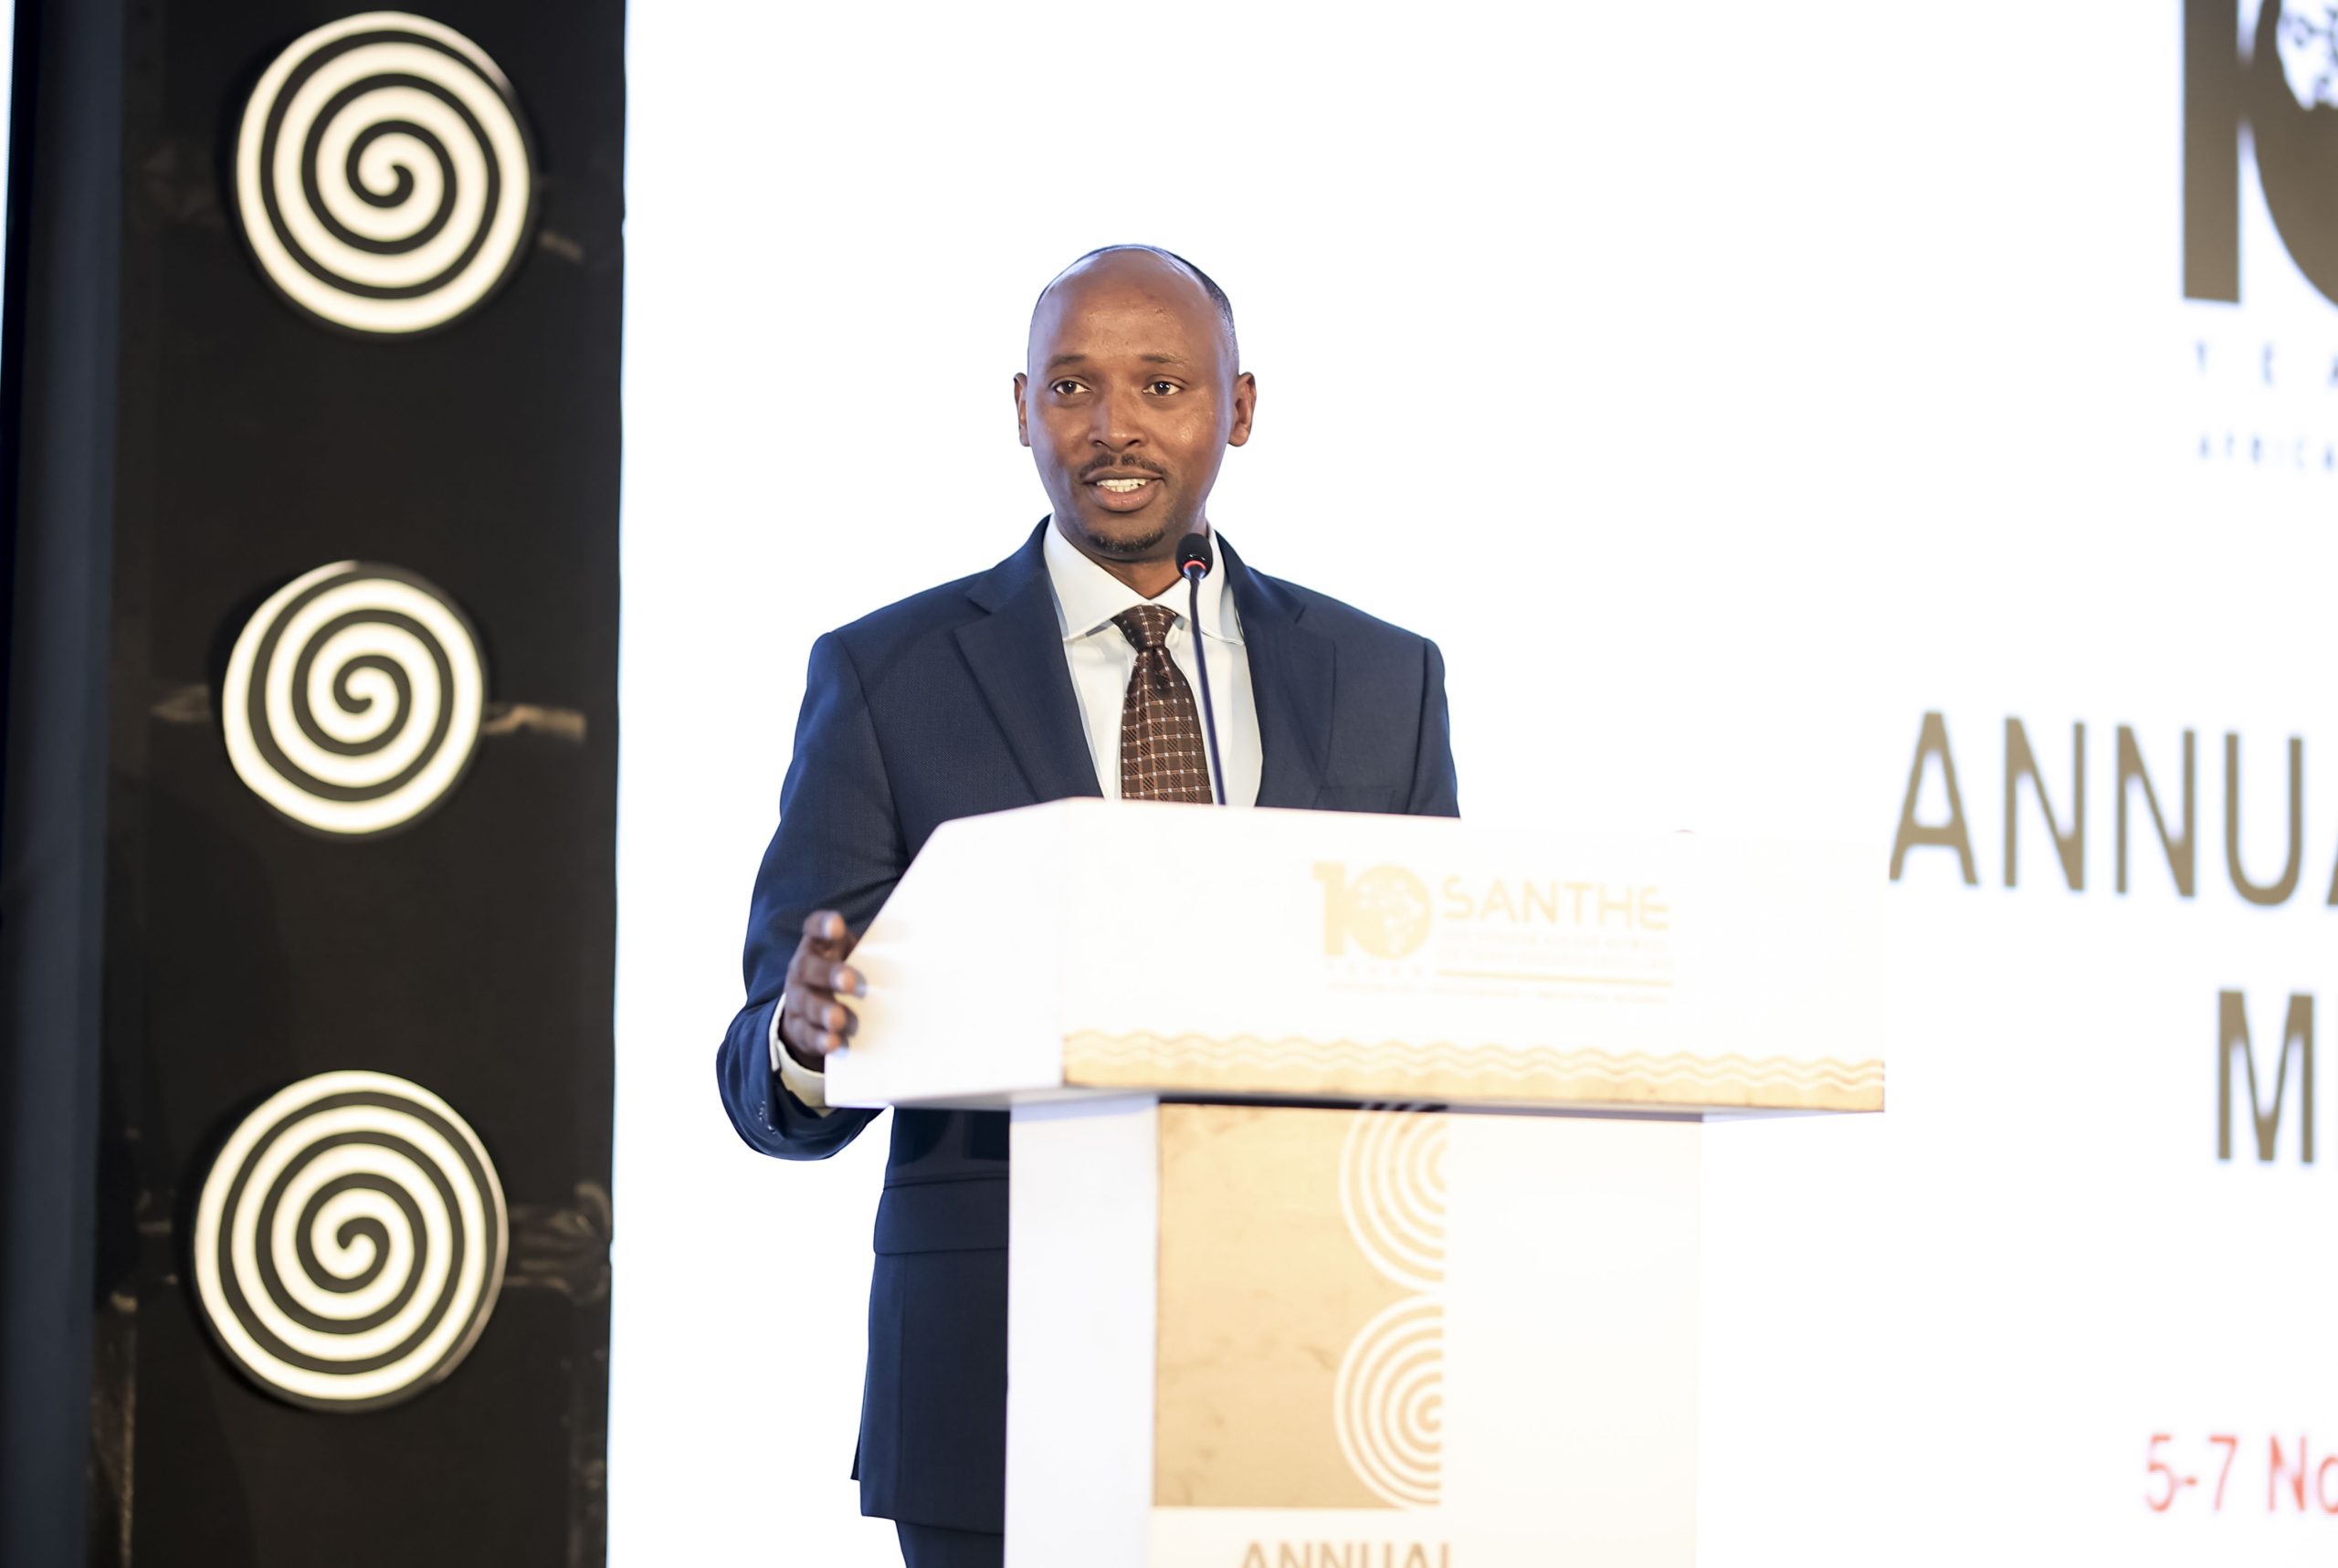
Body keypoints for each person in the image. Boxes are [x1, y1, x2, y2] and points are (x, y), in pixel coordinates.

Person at [714, 245, 1459, 1568]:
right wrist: (807, 1038)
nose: (1114, 425)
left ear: (1238, 408)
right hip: (992, 1394)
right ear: (1022, 409)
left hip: (1310, 1375)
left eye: (1162, 385)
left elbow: (1437, 1027)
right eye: (1072, 387)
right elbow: (767, 1049)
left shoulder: (1385, 680)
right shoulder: (888, 674)